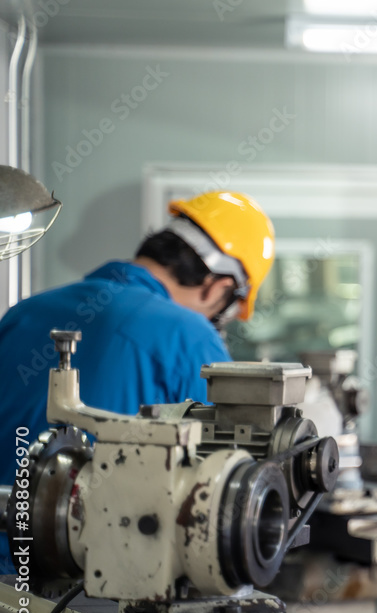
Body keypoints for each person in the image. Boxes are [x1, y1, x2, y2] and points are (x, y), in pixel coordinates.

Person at [0, 190, 275, 571]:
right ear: (219, 288)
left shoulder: (23, 313)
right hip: (85, 585)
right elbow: (222, 482)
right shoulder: (189, 335)